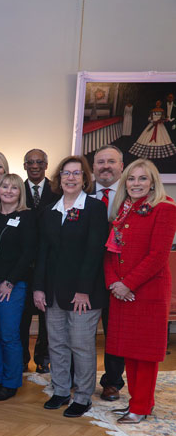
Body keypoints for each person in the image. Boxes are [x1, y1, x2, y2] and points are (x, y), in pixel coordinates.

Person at [33, 156, 108, 418]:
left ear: (85, 179)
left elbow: (94, 252)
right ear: (59, 178)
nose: (71, 178)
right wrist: (39, 288)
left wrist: (83, 289)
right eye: (66, 173)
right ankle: (61, 390)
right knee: (57, 344)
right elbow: (42, 252)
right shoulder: (50, 211)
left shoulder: (95, 208)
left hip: (83, 294)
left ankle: (84, 396)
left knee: (81, 345)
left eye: (77, 173)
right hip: (53, 291)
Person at [104, 160, 176, 423]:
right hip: (122, 292)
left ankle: (141, 406)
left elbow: (158, 256)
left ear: (153, 182)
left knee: (145, 354)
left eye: (142, 179)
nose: (136, 184)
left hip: (147, 292)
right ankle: (136, 402)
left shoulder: (165, 208)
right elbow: (111, 252)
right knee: (129, 350)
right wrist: (114, 283)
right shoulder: (123, 209)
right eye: (131, 179)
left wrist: (127, 284)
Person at [0, 174, 37, 401]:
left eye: (14, 188)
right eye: (5, 186)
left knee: (9, 336)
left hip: (12, 286)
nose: (8, 191)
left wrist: (10, 281)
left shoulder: (26, 217)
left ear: (20, 192)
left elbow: (28, 253)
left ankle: (11, 382)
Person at [92, 145, 127, 401]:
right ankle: (77, 376)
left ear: (121, 166)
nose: (106, 166)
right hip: (87, 275)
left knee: (115, 331)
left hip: (118, 276)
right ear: (92, 168)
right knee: (81, 330)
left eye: (111, 161)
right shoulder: (80, 195)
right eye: (100, 161)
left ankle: (112, 381)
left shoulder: (131, 197)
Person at [21, 148, 53, 375]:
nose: (34, 166)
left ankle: (44, 358)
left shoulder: (58, 191)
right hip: (22, 266)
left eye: (39, 162)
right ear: (24, 166)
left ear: (46, 165)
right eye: (30, 162)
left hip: (49, 264)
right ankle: (22, 358)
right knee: (21, 318)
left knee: (47, 318)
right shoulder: (16, 190)